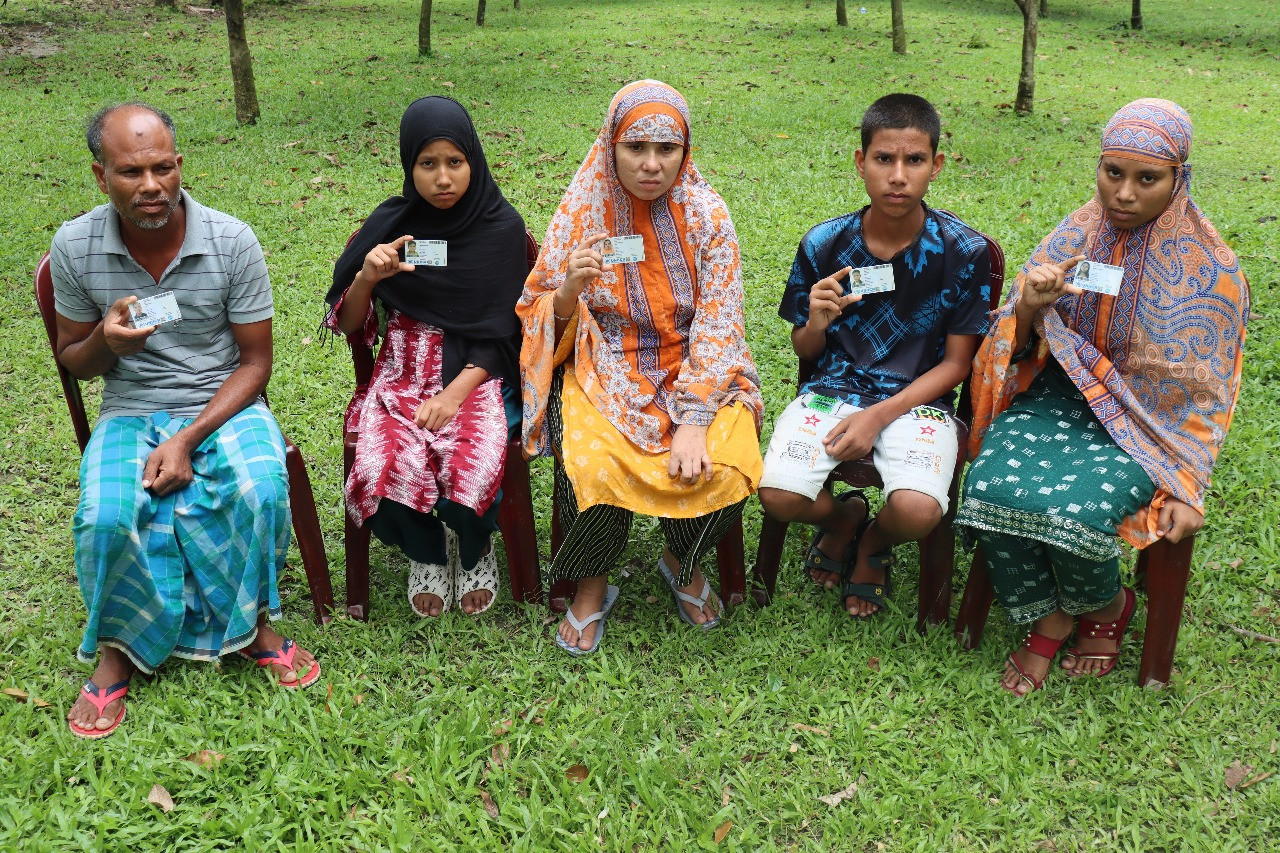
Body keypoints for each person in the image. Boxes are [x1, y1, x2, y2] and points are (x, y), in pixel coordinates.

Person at [956, 99, 1250, 694]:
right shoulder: (1075, 233)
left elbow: (1208, 395)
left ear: (1179, 179)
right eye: (1112, 172)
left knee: (1075, 509)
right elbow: (1017, 340)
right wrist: (1034, 305)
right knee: (985, 485)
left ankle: (1107, 606)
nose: (1123, 193)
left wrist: (1190, 487)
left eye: (1147, 179)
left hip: (1145, 429)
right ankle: (1054, 614)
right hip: (1059, 401)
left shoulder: (1213, 273)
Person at [53, 103, 319, 740]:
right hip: (129, 406)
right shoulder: (74, 245)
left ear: (180, 166)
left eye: (163, 167)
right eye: (131, 172)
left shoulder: (232, 241)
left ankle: (253, 624)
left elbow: (256, 363)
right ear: (101, 176)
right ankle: (117, 648)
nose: (151, 186)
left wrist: (187, 438)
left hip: (222, 401)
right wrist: (107, 346)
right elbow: (73, 358)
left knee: (258, 490)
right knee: (106, 515)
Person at [519, 80, 764, 656]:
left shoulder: (707, 214)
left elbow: (721, 321)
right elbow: (535, 309)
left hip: (698, 368)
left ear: (686, 150)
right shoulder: (584, 209)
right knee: (591, 462)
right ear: (611, 146)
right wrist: (569, 291)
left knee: (732, 463)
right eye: (636, 148)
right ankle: (591, 583)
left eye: (667, 149)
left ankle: (681, 558)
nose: (651, 165)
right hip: (605, 364)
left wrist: (694, 417)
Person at [756, 94, 991, 618]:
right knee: (778, 496)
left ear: (936, 165)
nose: (899, 176)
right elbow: (806, 350)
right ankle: (843, 520)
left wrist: (878, 416)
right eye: (884, 159)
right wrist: (816, 321)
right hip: (833, 390)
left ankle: (875, 542)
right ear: (861, 162)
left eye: (915, 161)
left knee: (917, 510)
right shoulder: (824, 243)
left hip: (919, 401)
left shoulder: (964, 253)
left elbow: (956, 366)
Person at [327, 96, 527, 618]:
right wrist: (368, 277)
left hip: (477, 374)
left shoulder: (501, 228)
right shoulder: (393, 228)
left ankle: (477, 547)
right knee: (380, 470)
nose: (443, 179)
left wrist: (454, 393)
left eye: (454, 162)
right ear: (408, 165)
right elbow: (352, 326)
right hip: (400, 374)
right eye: (427, 163)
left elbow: (506, 330)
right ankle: (427, 552)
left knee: (472, 471)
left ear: (474, 162)